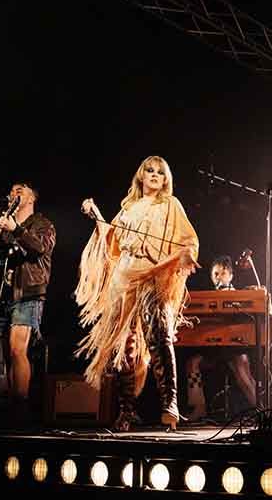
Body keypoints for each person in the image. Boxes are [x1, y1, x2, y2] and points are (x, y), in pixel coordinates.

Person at [75, 156, 200, 431]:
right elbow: (113, 241)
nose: (155, 175)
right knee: (125, 345)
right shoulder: (128, 208)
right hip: (124, 277)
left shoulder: (170, 205)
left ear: (166, 179)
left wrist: (185, 254)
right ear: (141, 176)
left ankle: (170, 403)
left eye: (160, 172)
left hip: (152, 274)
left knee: (158, 336)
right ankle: (127, 409)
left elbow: (188, 240)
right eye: (150, 170)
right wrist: (96, 215)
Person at [0, 181, 56, 424]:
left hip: (29, 292)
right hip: (6, 294)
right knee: (7, 353)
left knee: (19, 349)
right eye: (12, 190)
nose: (13, 193)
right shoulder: (7, 226)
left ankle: (20, 407)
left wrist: (16, 228)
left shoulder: (42, 224)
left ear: (31, 198)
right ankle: (10, 403)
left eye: (20, 190)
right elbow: (1, 254)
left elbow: (38, 248)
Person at [182, 255, 272, 420]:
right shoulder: (207, 298)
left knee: (242, 371)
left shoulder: (240, 295)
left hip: (235, 346)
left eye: (223, 273)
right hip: (215, 349)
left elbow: (263, 310)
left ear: (231, 276)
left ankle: (263, 413)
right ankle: (199, 407)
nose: (219, 277)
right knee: (192, 363)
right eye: (215, 274)